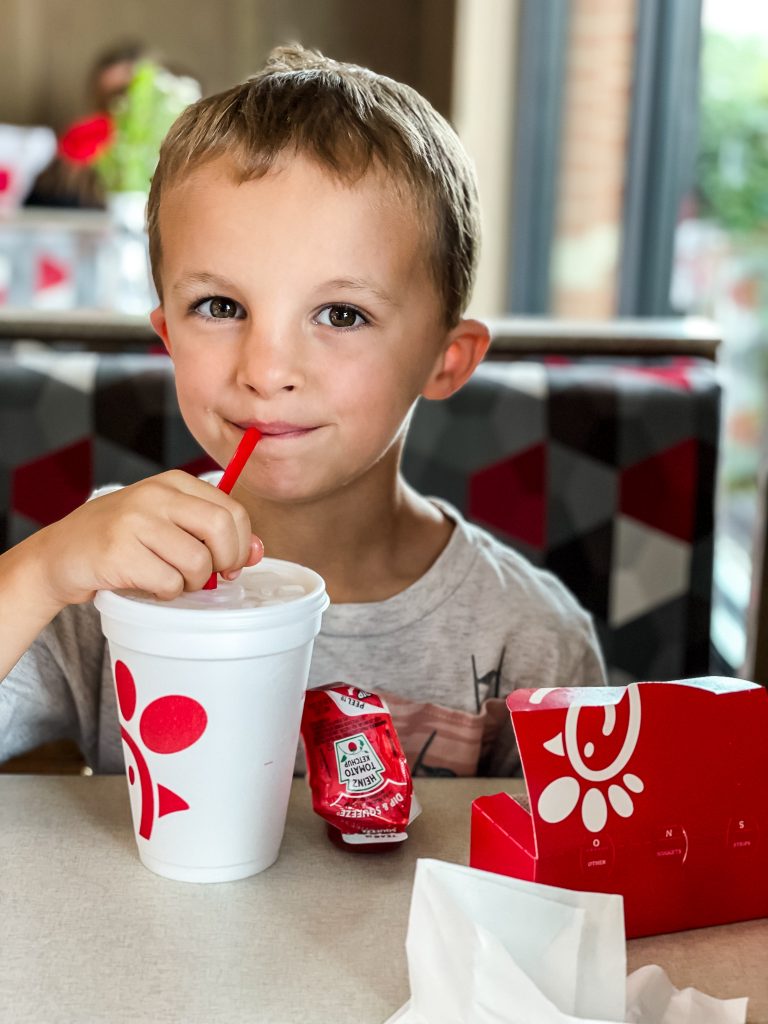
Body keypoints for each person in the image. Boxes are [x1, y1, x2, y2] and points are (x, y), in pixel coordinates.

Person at [0, 44, 605, 778]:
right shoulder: (109, 568)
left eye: (341, 314)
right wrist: (40, 571)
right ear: (167, 337)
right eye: (220, 306)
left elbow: (566, 881)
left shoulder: (531, 639)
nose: (267, 371)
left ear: (447, 360)